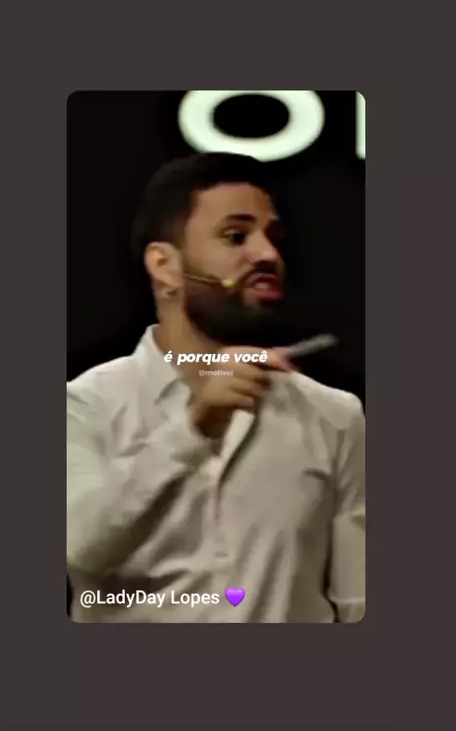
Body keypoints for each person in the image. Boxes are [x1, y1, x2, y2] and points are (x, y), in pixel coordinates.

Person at [67, 152, 365, 623]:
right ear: (165, 265)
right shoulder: (85, 405)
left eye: (273, 238)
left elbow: (360, 603)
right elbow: (81, 549)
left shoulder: (335, 416)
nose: (268, 255)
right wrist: (194, 427)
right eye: (236, 236)